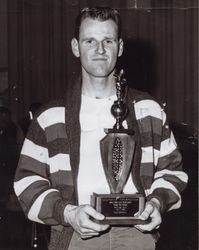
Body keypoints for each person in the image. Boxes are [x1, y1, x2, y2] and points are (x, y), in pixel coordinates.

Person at [14, 7, 188, 250]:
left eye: (108, 40)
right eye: (90, 41)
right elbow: (26, 182)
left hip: (138, 235)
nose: (100, 50)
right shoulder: (50, 117)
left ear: (121, 46)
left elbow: (173, 172)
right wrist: (68, 213)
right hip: (74, 236)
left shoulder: (148, 109)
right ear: (75, 46)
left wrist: (157, 203)